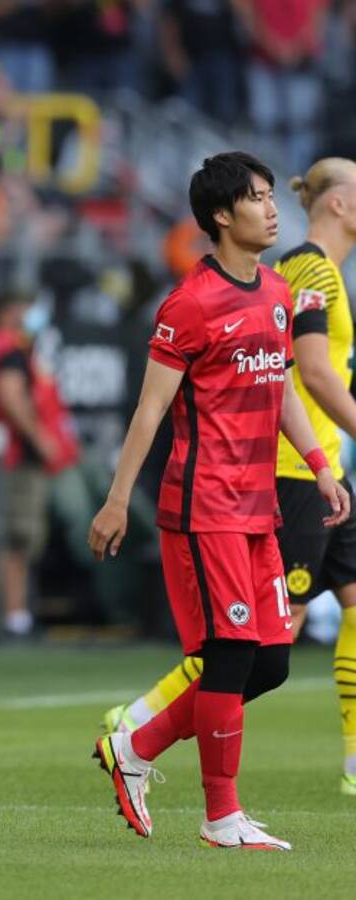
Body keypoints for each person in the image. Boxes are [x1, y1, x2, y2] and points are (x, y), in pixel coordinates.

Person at [88, 151, 349, 851]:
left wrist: (320, 466)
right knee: (229, 653)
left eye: (270, 195)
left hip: (259, 508)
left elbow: (281, 386)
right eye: (257, 197)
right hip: (205, 509)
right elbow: (150, 410)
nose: (271, 208)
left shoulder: (276, 291)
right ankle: (221, 816)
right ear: (221, 216)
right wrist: (116, 501)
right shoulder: (190, 305)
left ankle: (135, 744)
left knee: (271, 662)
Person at [0, 292, 68, 638]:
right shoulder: (9, 349)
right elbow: (10, 395)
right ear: (9, 312)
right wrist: (39, 437)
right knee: (16, 540)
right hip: (9, 453)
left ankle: (5, 616)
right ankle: (13, 618)